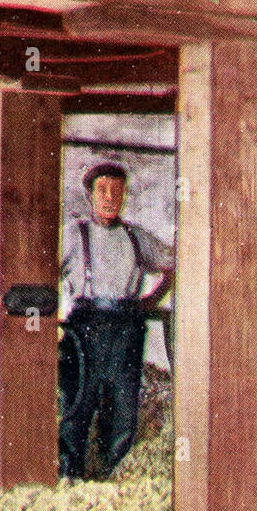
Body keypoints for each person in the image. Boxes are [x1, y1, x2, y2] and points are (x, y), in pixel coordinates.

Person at [58, 163, 174, 478]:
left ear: (124, 195)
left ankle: (113, 474)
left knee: (123, 405)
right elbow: (44, 270)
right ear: (90, 195)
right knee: (76, 401)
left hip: (126, 329)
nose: (109, 197)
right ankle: (69, 474)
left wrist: (152, 300)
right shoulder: (74, 234)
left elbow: (173, 263)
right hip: (84, 326)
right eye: (102, 190)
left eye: (116, 190)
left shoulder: (136, 237)